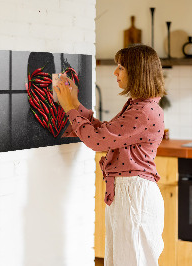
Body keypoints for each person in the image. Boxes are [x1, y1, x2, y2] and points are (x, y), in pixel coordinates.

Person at [54, 44, 166, 266]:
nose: (115, 72)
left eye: (121, 67)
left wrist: (69, 108)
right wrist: (75, 103)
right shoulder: (139, 106)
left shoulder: (143, 111)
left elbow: (97, 141)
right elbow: (105, 133)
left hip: (134, 195)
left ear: (137, 72)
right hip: (129, 193)